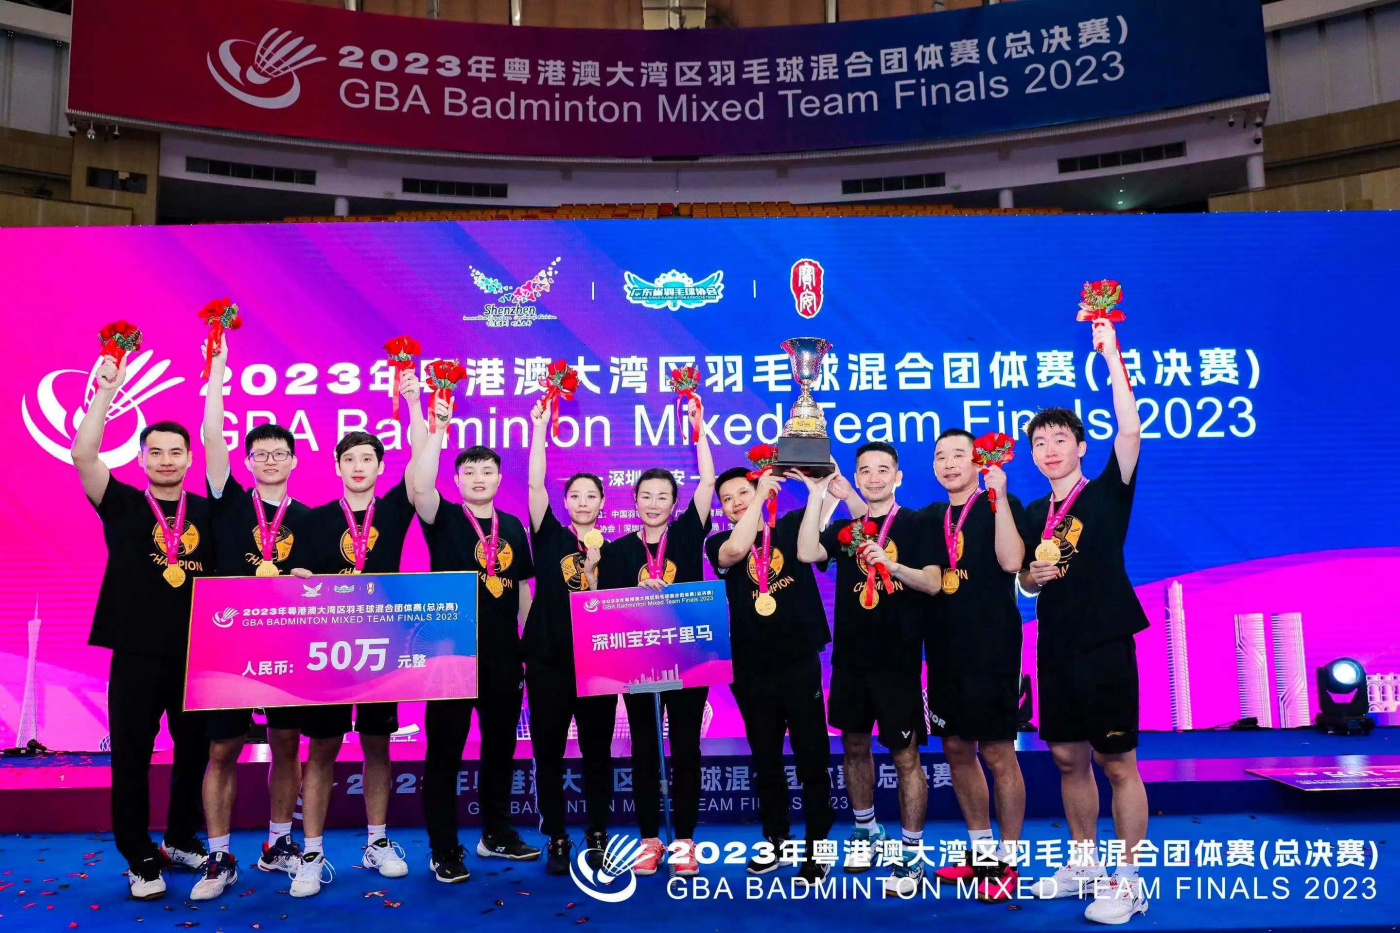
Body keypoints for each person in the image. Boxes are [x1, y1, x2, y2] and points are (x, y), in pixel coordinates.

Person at [1018, 318, 1149, 925]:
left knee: (1116, 762)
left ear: (1080, 446)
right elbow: (1024, 580)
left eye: (1059, 439)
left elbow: (1130, 428)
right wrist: (1030, 578)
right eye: (1040, 442)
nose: (1049, 449)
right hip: (1055, 645)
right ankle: (1084, 865)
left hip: (1104, 642)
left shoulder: (1107, 492)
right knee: (1068, 759)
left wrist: (1111, 353)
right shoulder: (1033, 513)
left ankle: (1129, 879)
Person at [72, 354, 213, 900]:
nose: (166, 460)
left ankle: (180, 838)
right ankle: (139, 856)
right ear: (141, 457)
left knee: (194, 753)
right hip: (135, 651)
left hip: (199, 654)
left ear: (189, 458)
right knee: (131, 755)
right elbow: (83, 455)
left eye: (176, 452)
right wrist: (106, 392)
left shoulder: (209, 512)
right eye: (155, 451)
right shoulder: (124, 504)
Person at [191, 333, 319, 901]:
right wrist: (218, 370)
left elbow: (321, 587)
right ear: (247, 462)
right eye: (260, 454)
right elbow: (211, 434)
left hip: (287, 648)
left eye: (278, 453)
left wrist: (307, 581)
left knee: (286, 744)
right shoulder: (227, 502)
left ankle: (278, 844)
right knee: (222, 750)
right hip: (227, 646)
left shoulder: (310, 519)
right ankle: (219, 857)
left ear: (293, 460)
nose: (269, 460)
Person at [286, 391, 428, 897]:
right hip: (329, 649)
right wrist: (299, 578)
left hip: (381, 647)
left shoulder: (395, 510)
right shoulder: (315, 518)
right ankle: (311, 852)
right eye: (350, 459)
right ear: (337, 467)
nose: (359, 466)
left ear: (381, 467)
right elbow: (297, 577)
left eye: (368, 458)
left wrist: (414, 403)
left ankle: (377, 842)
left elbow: (421, 462)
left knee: (377, 744)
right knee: (321, 748)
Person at [796, 441, 942, 897]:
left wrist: (892, 566)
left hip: (897, 663)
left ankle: (912, 852)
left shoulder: (918, 523)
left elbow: (933, 583)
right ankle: (866, 830)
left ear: (898, 476)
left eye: (883, 469)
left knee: (906, 758)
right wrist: (818, 493)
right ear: (856, 478)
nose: (874, 477)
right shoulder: (847, 530)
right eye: (865, 470)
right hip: (850, 661)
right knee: (854, 747)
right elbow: (806, 553)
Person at [706, 463, 861, 887]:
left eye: (744, 493)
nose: (736, 503)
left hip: (798, 662)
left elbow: (824, 511)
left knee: (812, 759)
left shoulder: (792, 526)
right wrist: (758, 497)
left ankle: (818, 846)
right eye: (728, 499)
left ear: (762, 490)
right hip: (749, 668)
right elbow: (736, 552)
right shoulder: (719, 541)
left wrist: (820, 484)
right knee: (766, 760)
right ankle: (775, 840)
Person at [413, 424, 540, 882]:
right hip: (450, 654)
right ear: (457, 480)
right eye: (469, 472)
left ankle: (496, 833)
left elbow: (521, 589)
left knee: (500, 749)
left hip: (503, 657)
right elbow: (420, 486)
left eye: (487, 471)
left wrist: (529, 646)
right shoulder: (443, 517)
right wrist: (436, 429)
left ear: (500, 478)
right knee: (444, 754)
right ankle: (444, 848)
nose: (479, 478)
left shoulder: (513, 526)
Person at [596, 398, 715, 878]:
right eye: (645, 495)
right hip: (638, 663)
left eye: (662, 496)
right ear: (635, 501)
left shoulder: (686, 535)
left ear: (674, 503)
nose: (653, 503)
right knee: (644, 750)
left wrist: (699, 429)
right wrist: (634, 592)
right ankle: (649, 839)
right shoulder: (618, 550)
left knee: (685, 750)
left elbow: (708, 483)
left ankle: (684, 840)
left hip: (689, 657)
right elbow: (607, 609)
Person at [920, 428, 1027, 903]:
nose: (948, 464)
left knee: (998, 753)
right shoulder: (930, 517)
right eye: (940, 456)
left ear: (977, 461)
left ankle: (1009, 860)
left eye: (958, 455)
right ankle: (982, 853)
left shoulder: (1000, 503)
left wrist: (998, 497)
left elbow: (1012, 562)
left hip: (992, 648)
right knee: (957, 749)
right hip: (942, 648)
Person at [523, 401, 617, 875]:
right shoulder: (549, 537)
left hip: (598, 667)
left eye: (591, 496)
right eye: (575, 495)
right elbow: (534, 485)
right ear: (565, 503)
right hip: (548, 662)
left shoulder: (616, 551)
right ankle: (556, 836)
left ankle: (597, 833)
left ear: (602, 504)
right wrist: (539, 429)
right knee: (549, 753)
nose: (582, 502)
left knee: (598, 752)